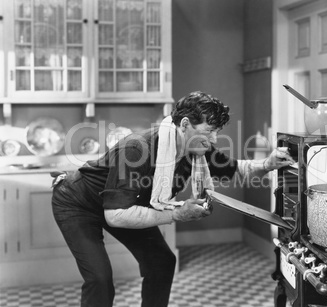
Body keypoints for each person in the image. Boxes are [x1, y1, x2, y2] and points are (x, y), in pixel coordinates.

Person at [51, 91, 295, 307]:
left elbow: (234, 169)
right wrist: (176, 213)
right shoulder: (137, 149)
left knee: (162, 262)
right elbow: (115, 216)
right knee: (100, 278)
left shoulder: (196, 147)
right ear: (186, 124)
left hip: (123, 205)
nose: (213, 140)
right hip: (78, 203)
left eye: (217, 132)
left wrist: (267, 164)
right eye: (209, 131)